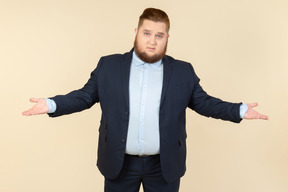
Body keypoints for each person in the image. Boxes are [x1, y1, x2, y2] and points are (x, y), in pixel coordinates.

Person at [22, 7, 268, 192]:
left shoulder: (183, 71)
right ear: (136, 32)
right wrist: (52, 104)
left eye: (159, 35)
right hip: (119, 163)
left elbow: (203, 102)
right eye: (147, 33)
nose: (152, 41)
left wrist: (239, 110)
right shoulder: (108, 65)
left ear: (167, 38)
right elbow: (85, 96)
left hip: (164, 165)